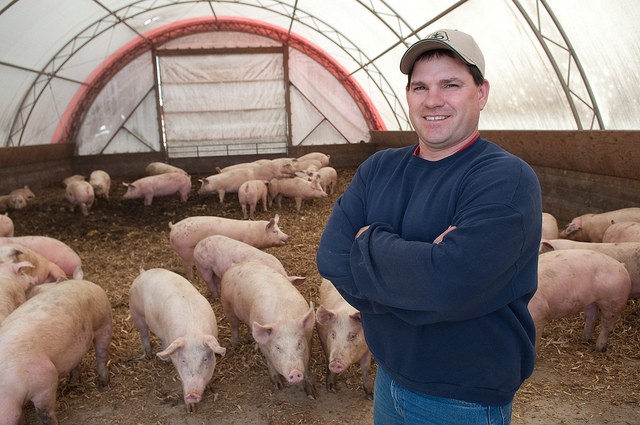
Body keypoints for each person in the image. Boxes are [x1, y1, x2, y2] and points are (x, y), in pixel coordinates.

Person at [316, 29, 542, 425]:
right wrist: (421, 270)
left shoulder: (506, 179)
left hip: (463, 396)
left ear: (482, 93)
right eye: (420, 87)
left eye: (450, 85)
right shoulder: (378, 168)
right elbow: (332, 257)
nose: (433, 100)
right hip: (390, 373)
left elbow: (446, 285)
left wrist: (368, 242)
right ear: (408, 96)